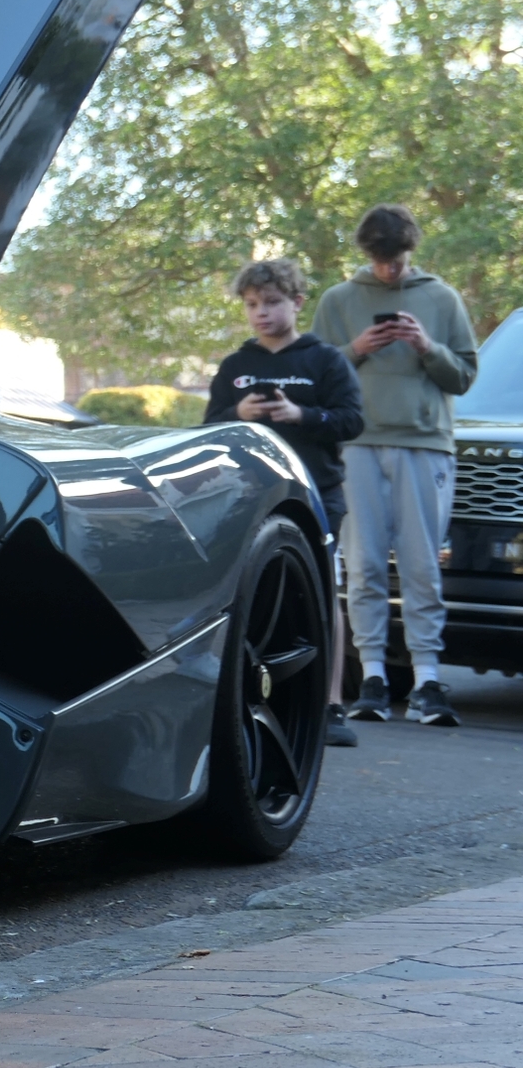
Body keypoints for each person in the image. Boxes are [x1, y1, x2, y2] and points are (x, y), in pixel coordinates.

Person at [312, 203, 480, 727]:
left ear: (411, 250)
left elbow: (465, 376)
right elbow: (313, 374)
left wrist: (427, 346)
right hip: (357, 445)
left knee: (421, 564)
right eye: (380, 259)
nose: (388, 269)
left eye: (397, 258)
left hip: (425, 444)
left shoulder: (441, 297)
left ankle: (429, 678)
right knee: (362, 565)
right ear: (366, 254)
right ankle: (374, 677)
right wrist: (356, 348)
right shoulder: (339, 299)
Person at [204, 258, 364, 747]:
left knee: (320, 595)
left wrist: (301, 414)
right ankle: (258, 697)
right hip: (249, 500)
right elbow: (207, 429)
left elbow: (351, 421)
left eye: (272, 303)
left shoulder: (325, 360)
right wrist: (239, 413)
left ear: (296, 303)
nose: (261, 313)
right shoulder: (236, 367)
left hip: (318, 496)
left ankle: (331, 704)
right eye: (252, 305)